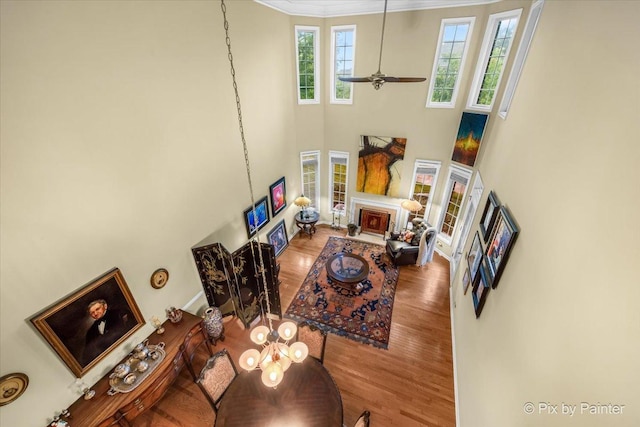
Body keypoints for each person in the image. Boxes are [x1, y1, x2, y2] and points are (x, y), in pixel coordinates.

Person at [82, 299, 133, 366]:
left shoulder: (119, 313)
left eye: (97, 309)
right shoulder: (91, 331)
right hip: (109, 363)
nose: (95, 314)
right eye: (92, 313)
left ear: (105, 306)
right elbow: (88, 352)